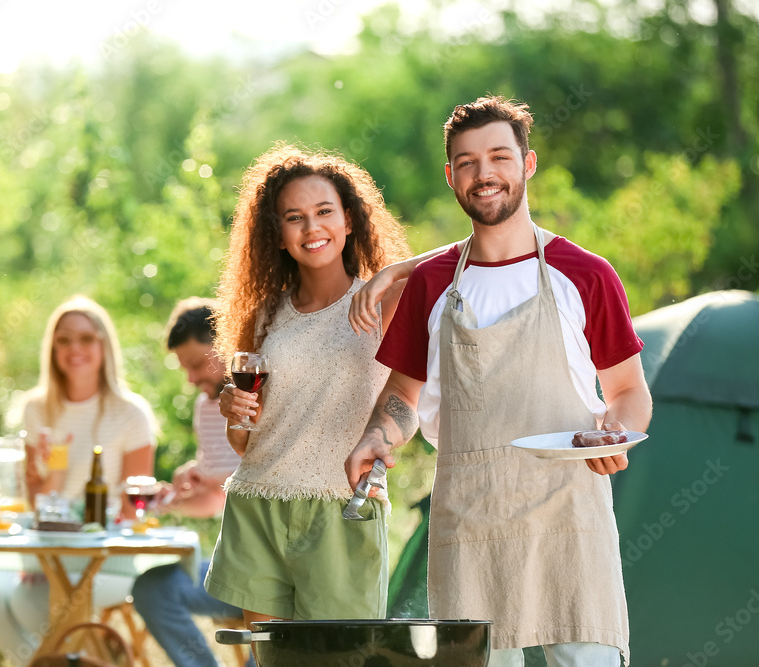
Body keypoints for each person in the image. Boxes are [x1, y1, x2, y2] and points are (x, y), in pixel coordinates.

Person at [345, 96, 653, 667]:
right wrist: (376, 438)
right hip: (471, 519)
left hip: (569, 513)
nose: (484, 174)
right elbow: (402, 395)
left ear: (527, 164)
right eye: (466, 162)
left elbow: (630, 392)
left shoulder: (585, 274)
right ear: (450, 176)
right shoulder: (431, 283)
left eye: (498, 157)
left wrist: (618, 432)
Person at [204, 142, 412, 629]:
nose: (312, 228)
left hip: (343, 510)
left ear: (349, 220)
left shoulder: (388, 300)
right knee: (271, 661)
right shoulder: (264, 315)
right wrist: (234, 413)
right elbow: (245, 442)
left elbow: (462, 258)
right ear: (277, 235)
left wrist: (392, 272)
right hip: (258, 504)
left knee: (339, 661)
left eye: (324, 212)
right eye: (294, 217)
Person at [0, 294, 157, 664]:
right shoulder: (37, 409)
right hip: (48, 553)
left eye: (85, 338)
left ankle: (69, 660)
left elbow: (131, 510)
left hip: (106, 556)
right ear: (52, 348)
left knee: (26, 602)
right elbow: (38, 505)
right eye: (63, 340)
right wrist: (54, 471)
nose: (73, 348)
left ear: (103, 344)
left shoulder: (131, 413)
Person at [131, 298, 251, 667]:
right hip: (233, 570)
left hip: (276, 573)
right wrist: (172, 501)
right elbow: (214, 502)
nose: (192, 379)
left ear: (228, 344)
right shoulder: (205, 407)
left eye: (197, 365)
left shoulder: (263, 396)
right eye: (185, 368)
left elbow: (264, 483)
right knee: (152, 588)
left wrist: (214, 479)